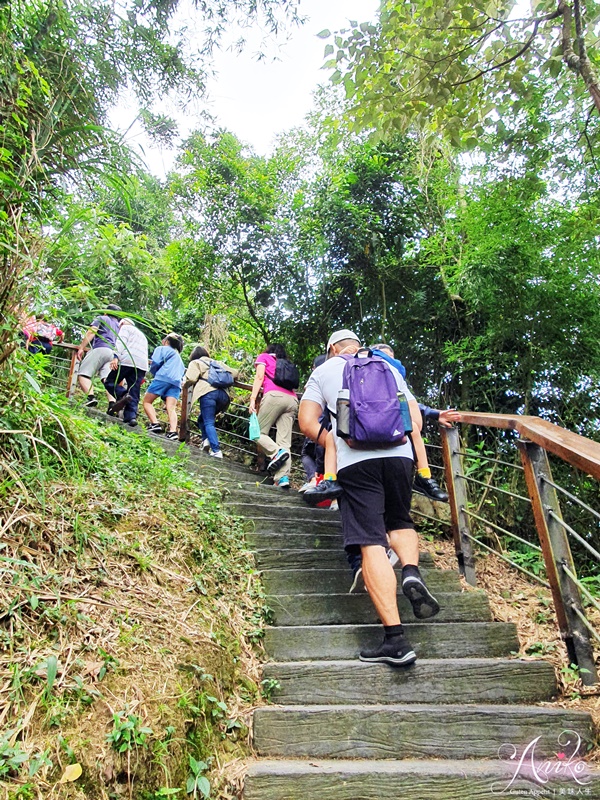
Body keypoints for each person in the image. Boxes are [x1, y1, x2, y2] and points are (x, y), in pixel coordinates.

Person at [299, 328, 440, 668]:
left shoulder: (324, 371)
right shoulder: (387, 367)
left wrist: (331, 439)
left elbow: (306, 422)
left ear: (331, 347)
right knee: (399, 519)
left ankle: (395, 640)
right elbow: (415, 420)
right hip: (400, 456)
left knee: (370, 542)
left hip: (355, 460)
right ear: (358, 345)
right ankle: (410, 571)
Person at [303, 342, 459, 505]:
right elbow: (409, 404)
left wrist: (344, 355)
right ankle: (424, 475)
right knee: (412, 428)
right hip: (394, 435)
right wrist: (434, 413)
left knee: (332, 436)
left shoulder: (354, 366)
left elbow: (310, 421)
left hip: (362, 435)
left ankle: (330, 479)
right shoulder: (391, 370)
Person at [248, 343, 299, 490]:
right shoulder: (286, 364)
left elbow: (259, 377)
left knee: (257, 432)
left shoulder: (264, 358)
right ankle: (282, 478)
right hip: (292, 400)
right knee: (284, 441)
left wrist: (252, 399)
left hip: (274, 396)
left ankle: (277, 453)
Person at [184, 346, 239, 458]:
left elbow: (191, 378)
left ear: (193, 356)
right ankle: (206, 441)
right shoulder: (217, 362)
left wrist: (184, 386)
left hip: (208, 393)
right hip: (224, 396)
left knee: (208, 421)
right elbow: (235, 373)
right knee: (201, 419)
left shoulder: (196, 362)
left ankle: (216, 450)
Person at [104, 319, 149, 427]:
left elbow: (121, 342)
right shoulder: (142, 335)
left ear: (122, 324)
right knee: (134, 390)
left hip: (127, 360)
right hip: (141, 364)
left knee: (109, 381)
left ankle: (123, 394)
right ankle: (131, 417)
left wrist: (115, 357)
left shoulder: (125, 328)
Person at [76, 304, 122, 407]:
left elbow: (91, 332)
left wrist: (82, 347)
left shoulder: (102, 318)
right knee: (107, 379)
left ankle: (91, 398)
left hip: (100, 348)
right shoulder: (119, 326)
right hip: (112, 353)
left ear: (106, 312)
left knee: (83, 374)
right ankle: (112, 404)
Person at [143, 333, 185, 440]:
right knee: (171, 408)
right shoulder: (179, 358)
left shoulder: (161, 349)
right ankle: (173, 432)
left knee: (147, 402)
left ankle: (155, 424)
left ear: (167, 341)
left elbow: (155, 362)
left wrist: (153, 372)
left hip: (163, 378)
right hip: (176, 383)